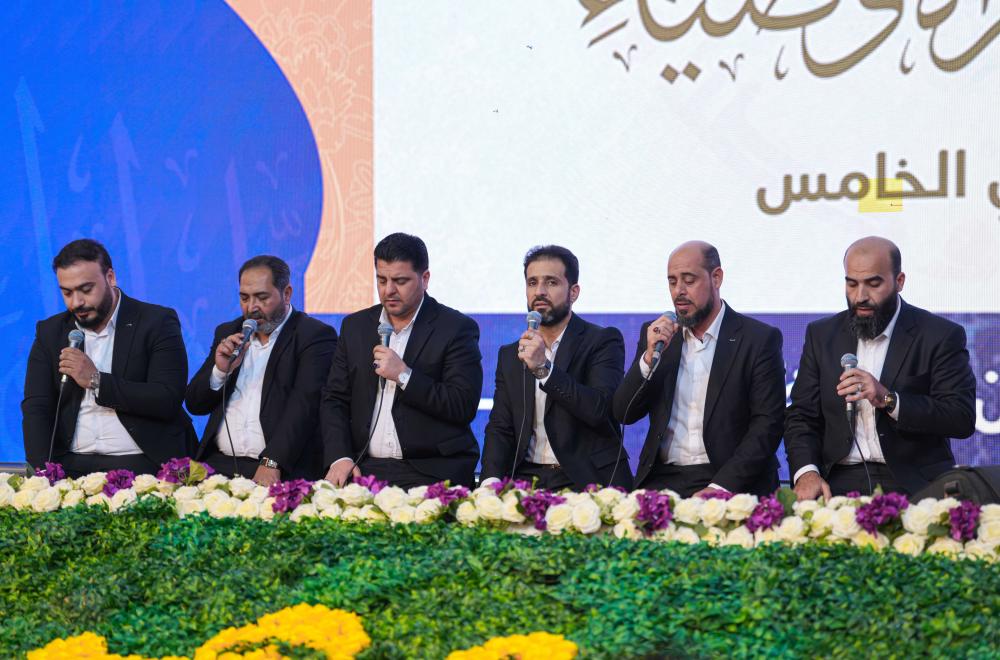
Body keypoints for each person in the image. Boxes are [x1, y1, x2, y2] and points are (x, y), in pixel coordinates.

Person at [785, 236, 976, 498]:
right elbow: (801, 417)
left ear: (899, 281)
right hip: (839, 478)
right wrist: (807, 473)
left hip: (915, 482)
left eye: (873, 284)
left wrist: (888, 399)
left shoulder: (939, 335)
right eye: (852, 284)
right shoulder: (822, 335)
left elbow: (960, 418)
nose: (860, 296)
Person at [613, 241, 785, 496]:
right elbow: (623, 412)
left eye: (689, 280)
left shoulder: (758, 339)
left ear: (716, 278)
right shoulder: (659, 337)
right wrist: (648, 358)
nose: (679, 291)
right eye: (672, 282)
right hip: (663, 480)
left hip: (730, 480)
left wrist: (719, 488)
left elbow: (767, 425)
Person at [320, 233, 482, 488]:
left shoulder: (456, 328)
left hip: (431, 471)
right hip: (363, 469)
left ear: (425, 279)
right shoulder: (355, 327)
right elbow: (334, 399)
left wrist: (404, 375)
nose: (389, 290)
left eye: (400, 281)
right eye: (381, 280)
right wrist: (340, 457)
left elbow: (462, 405)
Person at [22, 239, 195, 477]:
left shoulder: (156, 322)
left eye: (86, 290)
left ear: (110, 278)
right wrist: (43, 473)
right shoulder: (50, 332)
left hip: (143, 462)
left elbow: (167, 398)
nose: (76, 302)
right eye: (67, 292)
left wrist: (96, 381)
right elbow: (37, 407)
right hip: (72, 464)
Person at [480, 245, 630, 491]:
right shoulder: (511, 354)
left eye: (551, 282)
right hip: (527, 478)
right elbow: (501, 426)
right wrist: (490, 481)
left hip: (586, 479)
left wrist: (544, 369)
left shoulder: (602, 341)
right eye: (532, 283)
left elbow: (599, 410)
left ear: (574, 292)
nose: (539, 291)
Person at [185, 256, 337, 484]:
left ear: (287, 294)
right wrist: (220, 371)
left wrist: (272, 461)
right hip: (218, 465)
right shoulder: (229, 332)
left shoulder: (313, 335)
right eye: (244, 298)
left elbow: (305, 406)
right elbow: (195, 404)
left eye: (262, 297)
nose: (251, 308)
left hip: (278, 466)